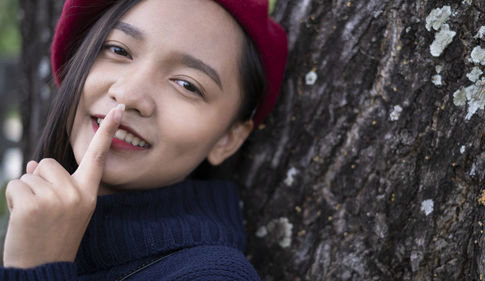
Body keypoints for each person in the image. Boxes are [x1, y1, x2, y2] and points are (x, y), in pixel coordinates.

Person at [0, 0, 287, 280]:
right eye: (118, 50)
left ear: (228, 139)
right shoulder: (25, 223)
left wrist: (37, 269)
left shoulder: (213, 274)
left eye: (187, 84)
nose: (129, 95)